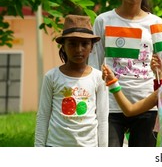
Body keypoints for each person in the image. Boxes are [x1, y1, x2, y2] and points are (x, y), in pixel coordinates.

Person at [88, 0, 162, 147]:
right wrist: (92, 101)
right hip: (109, 105)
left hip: (147, 104)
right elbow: (94, 63)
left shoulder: (157, 23)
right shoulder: (103, 20)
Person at [35, 15, 108, 147]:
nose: (79, 49)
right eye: (72, 44)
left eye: (85, 44)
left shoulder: (98, 77)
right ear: (63, 46)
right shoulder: (51, 77)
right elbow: (43, 116)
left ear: (91, 47)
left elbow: (103, 119)